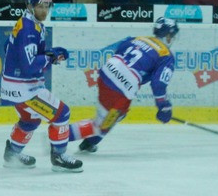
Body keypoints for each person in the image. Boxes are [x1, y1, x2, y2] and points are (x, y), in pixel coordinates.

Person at [0, 0, 82, 173]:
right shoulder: (28, 28)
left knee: (30, 120)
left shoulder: (29, 23)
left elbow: (8, 47)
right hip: (26, 89)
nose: (44, 11)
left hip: (15, 85)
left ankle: (12, 154)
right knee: (62, 114)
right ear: (29, 5)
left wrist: (49, 54)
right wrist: (50, 57)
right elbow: (29, 65)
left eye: (47, 6)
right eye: (40, 6)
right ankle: (59, 157)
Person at [67, 17, 179, 153]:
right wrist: (164, 107)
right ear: (168, 35)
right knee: (100, 125)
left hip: (106, 73)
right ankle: (59, 136)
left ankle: (89, 143)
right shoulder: (166, 55)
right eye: (172, 35)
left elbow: (120, 51)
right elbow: (158, 85)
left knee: (116, 115)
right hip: (122, 87)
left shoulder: (138, 38)